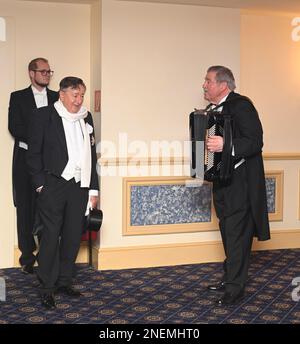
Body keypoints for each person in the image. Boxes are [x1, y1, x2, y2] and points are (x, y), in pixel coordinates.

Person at [27, 76, 99, 309]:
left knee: (72, 234)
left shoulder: (86, 118)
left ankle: (64, 281)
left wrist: (93, 189)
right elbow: (33, 154)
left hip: (79, 186)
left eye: (81, 95)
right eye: (74, 96)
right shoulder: (43, 116)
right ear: (62, 95)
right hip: (53, 185)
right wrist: (40, 185)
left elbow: (91, 154)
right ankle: (47, 287)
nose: (79, 101)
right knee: (50, 236)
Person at [202, 65, 270, 305]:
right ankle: (230, 276)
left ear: (223, 85)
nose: (204, 85)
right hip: (222, 180)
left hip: (241, 183)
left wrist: (226, 144)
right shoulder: (213, 110)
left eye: (208, 81)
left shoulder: (242, 105)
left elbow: (255, 142)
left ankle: (235, 288)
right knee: (226, 230)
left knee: (237, 234)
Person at [8, 57, 58, 274]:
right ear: (31, 73)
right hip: (25, 162)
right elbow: (15, 128)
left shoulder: (58, 97)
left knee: (50, 208)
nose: (47, 74)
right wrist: (40, 139)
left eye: (49, 72)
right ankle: (27, 257)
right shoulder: (18, 97)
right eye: (43, 71)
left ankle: (49, 256)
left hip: (52, 162)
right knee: (26, 208)